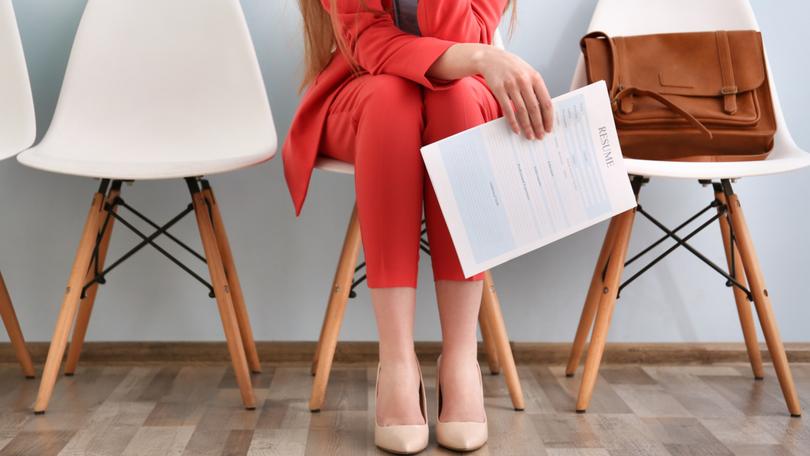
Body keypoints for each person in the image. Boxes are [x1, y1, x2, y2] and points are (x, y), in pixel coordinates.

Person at [284, 0, 553, 453]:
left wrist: (477, 56)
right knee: (393, 99)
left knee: (458, 99)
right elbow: (374, 47)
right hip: (362, 92)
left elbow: (463, 32)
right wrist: (486, 58)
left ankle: (461, 360)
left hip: (463, 97)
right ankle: (396, 363)